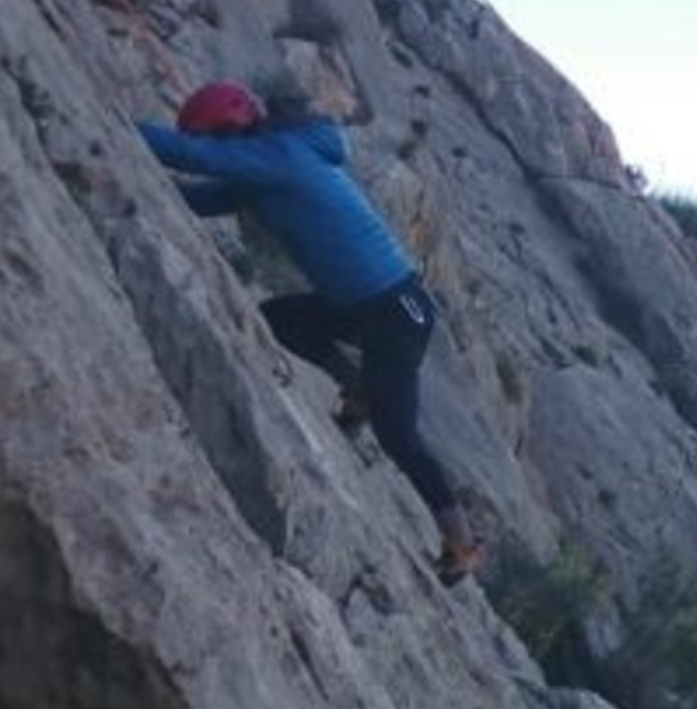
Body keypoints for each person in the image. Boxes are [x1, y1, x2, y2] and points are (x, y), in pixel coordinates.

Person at [138, 81, 484, 582]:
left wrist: (112, 118)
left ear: (229, 129)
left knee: (398, 437)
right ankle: (360, 391)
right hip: (366, 305)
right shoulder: (268, 165)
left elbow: (188, 154)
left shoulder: (274, 155)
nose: (217, 147)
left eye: (217, 138)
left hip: (394, 309)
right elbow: (202, 198)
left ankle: (462, 541)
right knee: (281, 318)